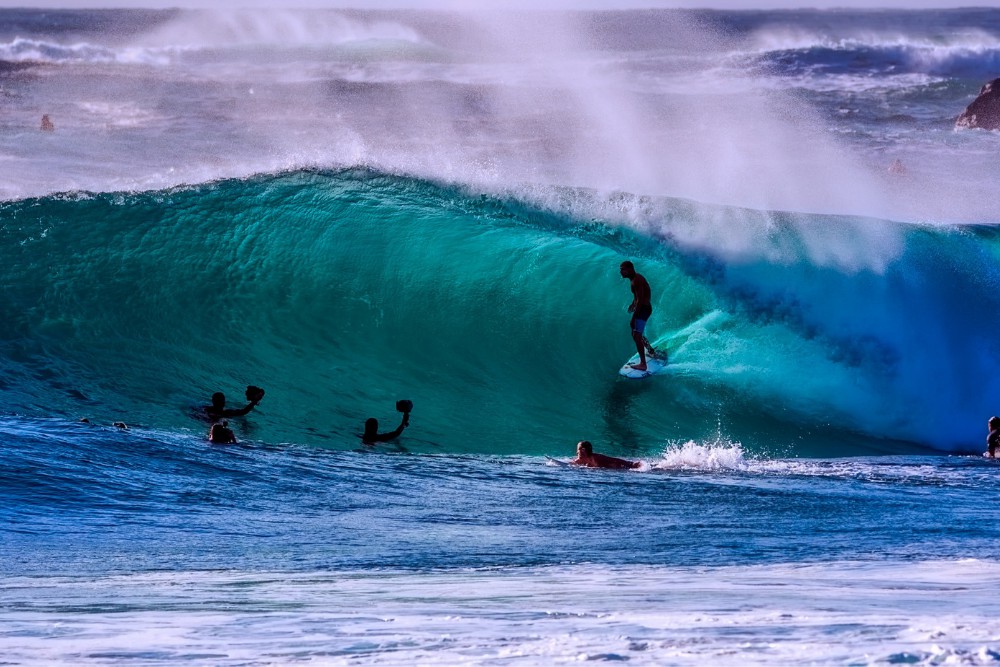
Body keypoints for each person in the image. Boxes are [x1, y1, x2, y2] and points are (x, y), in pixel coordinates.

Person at [619, 260, 659, 371]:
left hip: (644, 309)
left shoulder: (636, 280)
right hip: (642, 308)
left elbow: (641, 300)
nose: (621, 272)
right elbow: (638, 297)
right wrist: (633, 305)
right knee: (635, 333)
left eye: (623, 269)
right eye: (620, 270)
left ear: (630, 269)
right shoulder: (635, 279)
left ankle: (643, 364)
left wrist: (633, 317)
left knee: (636, 335)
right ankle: (650, 350)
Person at [572, 440, 641, 470]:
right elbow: (569, 464)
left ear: (586, 451)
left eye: (580, 449)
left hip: (619, 467)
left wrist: (631, 465)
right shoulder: (580, 460)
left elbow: (613, 460)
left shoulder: (597, 458)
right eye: (578, 449)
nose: (577, 452)